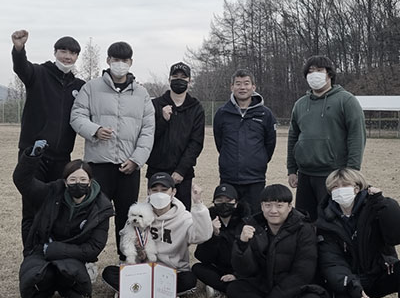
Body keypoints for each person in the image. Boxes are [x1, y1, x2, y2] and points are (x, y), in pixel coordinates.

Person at [70, 41, 155, 260]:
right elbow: (77, 116)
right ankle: (88, 260)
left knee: (128, 217)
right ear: (108, 61)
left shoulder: (142, 94)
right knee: (94, 215)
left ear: (131, 62)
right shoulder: (91, 87)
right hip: (99, 165)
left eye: (124, 60)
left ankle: (125, 259)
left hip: (129, 167)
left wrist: (137, 160)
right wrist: (95, 130)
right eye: (116, 60)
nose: (120, 64)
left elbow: (148, 130)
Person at [223, 184, 332, 298]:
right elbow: (247, 271)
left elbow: (303, 273)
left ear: (289, 207)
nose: (273, 210)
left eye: (279, 205)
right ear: (261, 206)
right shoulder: (253, 226)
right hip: (265, 286)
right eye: (268, 205)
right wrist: (242, 245)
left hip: (295, 291)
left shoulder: (304, 229)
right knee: (234, 289)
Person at [13, 140, 113, 298]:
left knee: (67, 273)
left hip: (73, 254)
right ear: (65, 182)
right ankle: (44, 291)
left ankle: (66, 289)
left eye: (82, 179)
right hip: (43, 249)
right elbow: (23, 181)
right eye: (72, 179)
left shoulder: (101, 206)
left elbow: (94, 247)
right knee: (38, 275)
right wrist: (32, 156)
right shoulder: (51, 192)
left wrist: (58, 250)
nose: (77, 183)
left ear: (89, 182)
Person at [11, 29, 85, 246]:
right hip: (34, 155)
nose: (67, 56)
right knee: (32, 208)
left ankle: (52, 251)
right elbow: (21, 68)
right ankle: (31, 255)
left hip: (62, 158)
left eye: (72, 53)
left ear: (76, 57)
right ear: (55, 52)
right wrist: (18, 49)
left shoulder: (79, 86)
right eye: (63, 51)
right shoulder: (39, 74)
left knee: (58, 206)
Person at [102, 172, 213, 298]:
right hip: (143, 268)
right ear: (148, 192)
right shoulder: (138, 213)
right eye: (155, 190)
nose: (159, 194)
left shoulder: (184, 217)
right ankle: (164, 295)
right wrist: (137, 252)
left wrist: (198, 204)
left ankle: (134, 292)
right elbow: (125, 242)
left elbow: (202, 236)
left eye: (164, 190)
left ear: (173, 192)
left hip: (171, 271)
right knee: (109, 272)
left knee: (189, 280)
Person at [316, 168, 400, 298]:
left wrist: (385, 204)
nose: (340, 189)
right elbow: (332, 261)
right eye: (334, 187)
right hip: (352, 279)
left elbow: (395, 236)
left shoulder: (376, 206)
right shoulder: (325, 221)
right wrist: (350, 284)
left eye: (345, 184)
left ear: (357, 187)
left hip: (381, 271)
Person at [287, 55, 366, 221]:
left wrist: (351, 172)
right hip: (305, 175)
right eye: (310, 71)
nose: (314, 74)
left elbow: (356, 136)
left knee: (331, 221)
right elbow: (293, 136)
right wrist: (291, 170)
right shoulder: (300, 104)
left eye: (319, 70)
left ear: (329, 74)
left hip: (333, 175)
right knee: (304, 221)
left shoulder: (346, 100)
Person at [213, 69, 276, 213]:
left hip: (255, 178)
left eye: (246, 83)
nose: (242, 87)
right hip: (229, 177)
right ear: (232, 87)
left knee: (254, 218)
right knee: (228, 216)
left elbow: (270, 144)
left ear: (253, 87)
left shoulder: (265, 114)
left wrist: (259, 160)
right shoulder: (222, 113)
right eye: (238, 84)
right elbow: (220, 142)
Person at [146, 62, 205, 210]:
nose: (179, 80)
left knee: (182, 215)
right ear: (169, 79)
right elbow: (147, 137)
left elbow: (196, 142)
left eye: (183, 77)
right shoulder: (155, 105)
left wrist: (181, 170)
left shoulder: (196, 108)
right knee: (155, 213)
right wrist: (163, 120)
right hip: (157, 169)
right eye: (175, 76)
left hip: (183, 175)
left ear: (189, 81)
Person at [193, 183, 250, 298]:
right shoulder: (208, 219)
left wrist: (236, 275)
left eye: (228, 200)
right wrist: (214, 234)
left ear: (236, 203)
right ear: (214, 203)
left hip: (239, 268)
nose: (224, 204)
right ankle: (227, 287)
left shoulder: (245, 221)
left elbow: (250, 255)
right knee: (197, 268)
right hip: (218, 267)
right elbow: (201, 256)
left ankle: (223, 286)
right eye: (219, 201)